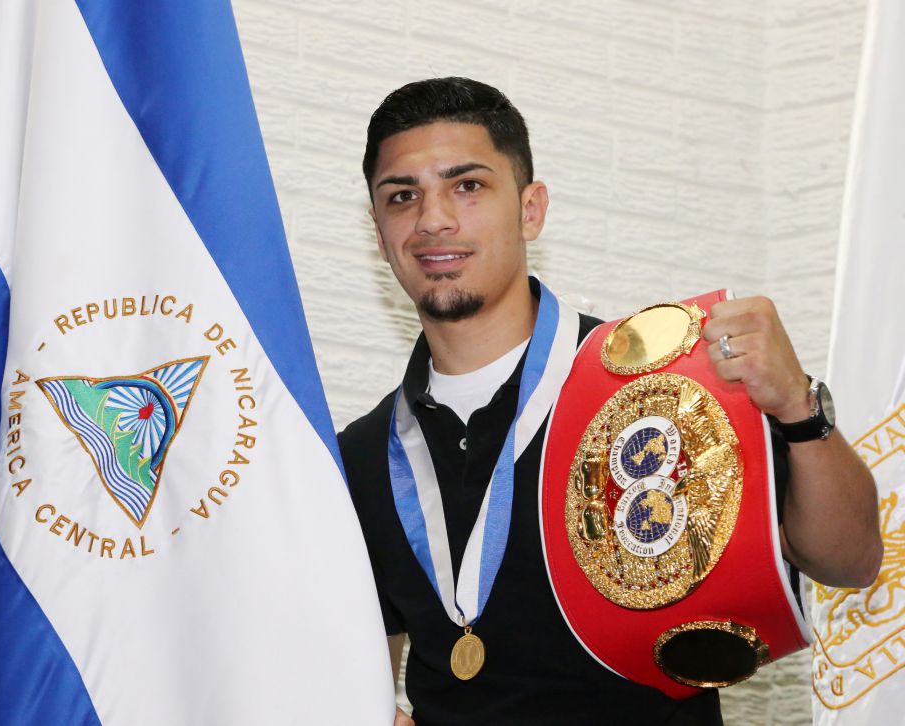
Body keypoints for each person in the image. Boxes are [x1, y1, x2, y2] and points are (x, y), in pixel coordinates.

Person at [338, 77, 882, 726]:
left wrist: (797, 407)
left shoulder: (661, 386)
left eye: (468, 185)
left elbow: (850, 561)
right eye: (403, 197)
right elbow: (358, 672)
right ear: (379, 230)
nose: (432, 219)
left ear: (531, 209)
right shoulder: (362, 456)